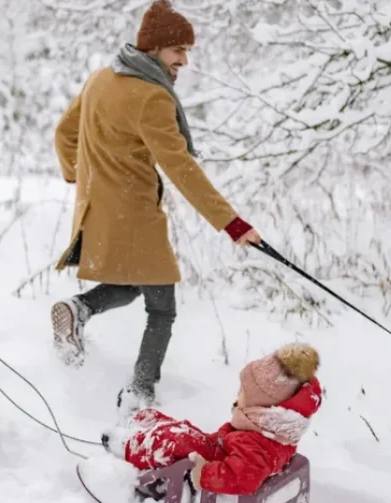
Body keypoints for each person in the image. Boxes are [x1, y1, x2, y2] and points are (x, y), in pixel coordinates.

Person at [49, 0, 261, 418]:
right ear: (155, 49)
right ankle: (140, 395)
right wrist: (232, 224)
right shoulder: (152, 98)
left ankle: (79, 309)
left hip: (99, 209)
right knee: (161, 308)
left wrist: (79, 177)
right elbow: (181, 168)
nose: (184, 60)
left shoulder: (101, 78)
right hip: (135, 213)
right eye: (178, 50)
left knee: (132, 284)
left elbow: (63, 133)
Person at [103, 343, 321, 496]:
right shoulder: (269, 431)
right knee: (179, 428)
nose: (238, 395)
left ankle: (127, 447)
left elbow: (244, 477)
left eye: (243, 392)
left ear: (262, 406)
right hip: (218, 450)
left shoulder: (256, 443)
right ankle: (137, 421)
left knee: (175, 439)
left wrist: (204, 474)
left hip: (211, 461)